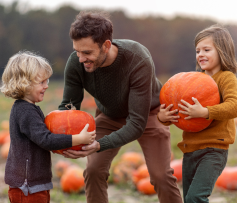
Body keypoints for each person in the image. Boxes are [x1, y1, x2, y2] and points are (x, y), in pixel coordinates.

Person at [58, 11, 182, 203]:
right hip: (109, 115)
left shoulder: (137, 59)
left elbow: (136, 124)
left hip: (148, 114)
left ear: (106, 46)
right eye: (77, 51)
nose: (81, 59)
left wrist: (100, 144)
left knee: (161, 176)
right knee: (92, 171)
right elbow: (69, 107)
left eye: (87, 53)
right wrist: (59, 137)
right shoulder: (76, 62)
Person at [157, 24, 237, 203]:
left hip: (214, 149)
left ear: (222, 51)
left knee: (196, 197)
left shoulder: (226, 78)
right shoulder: (193, 81)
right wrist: (163, 118)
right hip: (190, 150)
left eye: (206, 49)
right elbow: (178, 112)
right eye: (197, 50)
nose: (200, 54)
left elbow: (235, 106)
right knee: (189, 198)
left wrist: (205, 112)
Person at [0, 51, 96, 203]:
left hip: (33, 184)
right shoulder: (25, 111)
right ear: (25, 83)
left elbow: (40, 140)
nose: (46, 86)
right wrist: (78, 139)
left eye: (47, 81)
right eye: (42, 82)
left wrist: (61, 145)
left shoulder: (29, 108)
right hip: (28, 187)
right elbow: (46, 140)